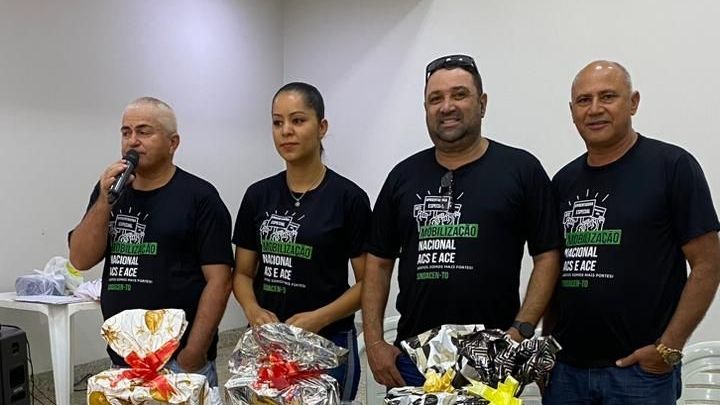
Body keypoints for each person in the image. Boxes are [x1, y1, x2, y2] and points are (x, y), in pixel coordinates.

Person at [361, 54, 562, 388]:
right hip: (413, 362)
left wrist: (521, 330)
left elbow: (547, 256)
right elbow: (378, 263)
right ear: (425, 109)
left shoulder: (521, 170)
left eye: (459, 94)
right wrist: (374, 343)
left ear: (482, 103)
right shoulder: (402, 177)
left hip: (493, 360)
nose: (447, 107)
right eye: (435, 99)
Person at [543, 60, 720, 404]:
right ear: (572, 111)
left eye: (608, 96)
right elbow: (555, 271)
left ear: (633, 102)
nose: (595, 109)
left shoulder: (672, 166)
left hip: (639, 375)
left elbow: (708, 264)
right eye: (584, 100)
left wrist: (667, 349)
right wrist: (547, 351)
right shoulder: (563, 182)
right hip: (566, 372)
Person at [68, 97, 234, 387]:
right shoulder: (111, 191)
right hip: (123, 360)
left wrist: (193, 353)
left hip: (179, 363)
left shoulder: (200, 197)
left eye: (144, 132)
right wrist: (105, 201)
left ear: (173, 143)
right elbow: (80, 259)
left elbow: (219, 281)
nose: (132, 141)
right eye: (126, 132)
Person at [232, 82, 371, 400]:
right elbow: (242, 273)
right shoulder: (258, 195)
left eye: (298, 120)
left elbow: (368, 283)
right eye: (277, 122)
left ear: (321, 127)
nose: (286, 131)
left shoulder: (348, 198)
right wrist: (252, 309)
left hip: (328, 342)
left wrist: (319, 317)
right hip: (268, 343)